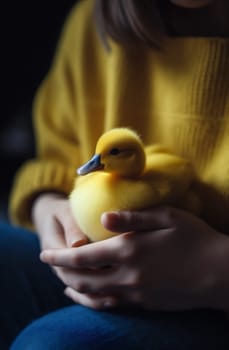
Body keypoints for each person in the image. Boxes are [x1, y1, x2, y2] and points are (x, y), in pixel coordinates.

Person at [1, 0, 229, 348]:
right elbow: (59, 162)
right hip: (98, 270)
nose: (91, 165)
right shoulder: (94, 21)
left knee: (55, 344)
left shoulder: (162, 182)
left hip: (214, 302)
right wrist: (49, 208)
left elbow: (186, 195)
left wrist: (215, 271)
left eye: (108, 156)